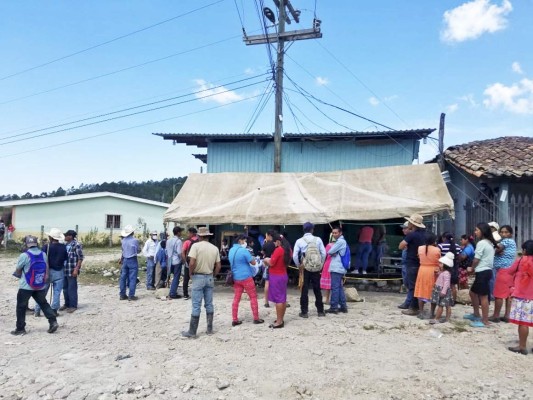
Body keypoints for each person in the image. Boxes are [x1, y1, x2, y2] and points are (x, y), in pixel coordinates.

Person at [11, 235, 59, 335]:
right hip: (39, 285)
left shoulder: (24, 255)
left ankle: (20, 328)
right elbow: (46, 270)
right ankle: (53, 321)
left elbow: (18, 270)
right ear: (36, 244)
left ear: (27, 244)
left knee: (21, 306)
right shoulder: (43, 254)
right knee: (43, 303)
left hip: (26, 286)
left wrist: (19, 274)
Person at [181, 227, 221, 338]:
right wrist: (213, 275)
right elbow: (218, 266)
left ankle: (192, 332)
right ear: (208, 236)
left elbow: (192, 262)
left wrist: (190, 273)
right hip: (209, 277)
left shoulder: (195, 246)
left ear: (199, 236)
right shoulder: (215, 248)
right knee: (209, 303)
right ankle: (209, 329)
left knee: (196, 305)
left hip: (198, 277)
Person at [463, 222, 497, 328]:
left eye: (477, 230)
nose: (475, 232)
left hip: (483, 271)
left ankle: (485, 320)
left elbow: (476, 259)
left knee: (483, 297)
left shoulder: (482, 243)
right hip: (485, 271)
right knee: (473, 293)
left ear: (482, 231)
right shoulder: (489, 243)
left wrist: (471, 268)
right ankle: (476, 314)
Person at [293, 222, 326, 319]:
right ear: (312, 230)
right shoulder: (318, 239)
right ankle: (320, 311)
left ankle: (304, 312)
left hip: (305, 268)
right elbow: (323, 253)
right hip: (316, 267)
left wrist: (299, 265)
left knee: (304, 289)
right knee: (317, 289)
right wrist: (321, 264)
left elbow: (295, 255)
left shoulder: (299, 241)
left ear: (303, 230)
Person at [229, 234, 264, 326]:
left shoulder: (231, 250)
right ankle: (256, 318)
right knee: (253, 297)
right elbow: (253, 262)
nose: (245, 243)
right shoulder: (243, 251)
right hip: (246, 277)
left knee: (236, 298)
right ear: (240, 241)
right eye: (244, 241)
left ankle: (234, 319)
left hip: (236, 278)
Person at [507, 240, 533, 355]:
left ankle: (522, 346)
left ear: (524, 250)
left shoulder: (521, 261)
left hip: (523, 296)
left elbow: (510, 271)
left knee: (523, 322)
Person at [35, 228, 68, 317]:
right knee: (57, 292)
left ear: (51, 237)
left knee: (42, 292)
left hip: (47, 271)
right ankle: (54, 310)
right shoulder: (63, 247)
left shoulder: (46, 247)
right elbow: (65, 258)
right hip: (59, 271)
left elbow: (41, 258)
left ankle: (37, 310)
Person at [399, 214, 427, 316]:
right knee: (418, 286)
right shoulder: (425, 235)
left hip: (412, 263)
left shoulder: (411, 235)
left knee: (412, 286)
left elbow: (401, 246)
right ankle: (418, 306)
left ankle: (413, 307)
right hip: (422, 263)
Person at [490, 225, 517, 323]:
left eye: (506, 232)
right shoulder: (512, 242)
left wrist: (496, 250)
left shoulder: (506, 241)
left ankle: (496, 315)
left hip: (503, 270)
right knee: (508, 295)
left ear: (511, 234)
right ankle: (507, 315)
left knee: (499, 294)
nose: (503, 234)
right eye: (502, 232)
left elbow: (497, 249)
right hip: (510, 270)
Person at [263, 233, 291, 328]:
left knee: (278, 299)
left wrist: (266, 259)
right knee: (282, 299)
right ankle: (281, 319)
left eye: (274, 242)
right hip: (283, 274)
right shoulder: (288, 250)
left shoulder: (278, 250)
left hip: (276, 276)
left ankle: (279, 322)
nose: (274, 244)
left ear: (278, 241)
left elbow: (272, 262)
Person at [413, 233, 440, 318]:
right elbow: (439, 260)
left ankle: (421, 312)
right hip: (433, 271)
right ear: (434, 241)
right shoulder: (437, 250)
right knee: (433, 291)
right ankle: (432, 313)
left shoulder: (420, 248)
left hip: (422, 270)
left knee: (421, 290)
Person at [325, 226, 348, 314]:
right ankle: (343, 306)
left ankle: (334, 307)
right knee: (339, 288)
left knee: (334, 288)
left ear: (340, 233)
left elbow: (330, 251)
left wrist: (332, 252)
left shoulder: (340, 242)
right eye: (333, 233)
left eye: (336, 233)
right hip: (340, 267)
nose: (334, 234)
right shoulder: (342, 241)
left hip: (336, 267)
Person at [429, 252, 454, 324]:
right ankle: (447, 318)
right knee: (447, 305)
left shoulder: (446, 273)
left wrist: (443, 291)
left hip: (443, 290)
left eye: (440, 263)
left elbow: (446, 283)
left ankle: (437, 318)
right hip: (440, 289)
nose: (439, 264)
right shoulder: (443, 272)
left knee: (441, 305)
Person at [62, 229, 84, 312]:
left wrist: (76, 269)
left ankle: (73, 305)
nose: (64, 237)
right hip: (64, 269)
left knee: (72, 288)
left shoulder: (76, 245)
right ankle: (67, 303)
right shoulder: (65, 245)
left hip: (71, 269)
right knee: (65, 288)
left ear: (70, 236)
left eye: (66, 235)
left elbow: (80, 258)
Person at [438, 232, 461, 304]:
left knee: (442, 284)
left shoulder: (440, 246)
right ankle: (453, 301)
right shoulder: (457, 246)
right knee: (453, 285)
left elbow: (438, 256)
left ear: (444, 238)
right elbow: (459, 256)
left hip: (443, 268)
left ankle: (441, 300)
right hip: (454, 267)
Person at [119, 225, 140, 301]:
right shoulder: (135, 240)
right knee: (132, 278)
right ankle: (131, 295)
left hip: (125, 259)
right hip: (132, 259)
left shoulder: (123, 240)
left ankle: (122, 294)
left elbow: (123, 250)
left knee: (123, 278)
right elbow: (138, 250)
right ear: (132, 232)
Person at [181, 227, 199, 300]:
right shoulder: (199, 241)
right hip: (197, 262)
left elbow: (182, 252)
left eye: (188, 233)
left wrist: (185, 261)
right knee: (197, 278)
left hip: (188, 262)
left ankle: (185, 294)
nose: (188, 234)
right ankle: (197, 294)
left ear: (192, 233)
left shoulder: (187, 242)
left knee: (186, 279)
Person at [167, 226, 184, 299]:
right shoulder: (179, 241)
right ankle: (173, 293)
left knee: (170, 276)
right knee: (176, 277)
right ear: (178, 232)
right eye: (180, 232)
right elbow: (179, 252)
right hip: (177, 261)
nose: (181, 233)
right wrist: (182, 260)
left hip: (170, 261)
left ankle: (171, 290)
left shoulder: (169, 240)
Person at [398, 222, 412, 309]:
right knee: (406, 283)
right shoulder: (407, 238)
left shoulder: (411, 237)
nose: (403, 230)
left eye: (405, 228)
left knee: (409, 283)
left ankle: (409, 302)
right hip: (405, 263)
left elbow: (400, 246)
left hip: (409, 264)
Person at [262, 229, 277, 308]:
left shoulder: (265, 244)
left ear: (269, 235)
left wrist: (264, 243)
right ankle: (278, 300)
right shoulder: (276, 244)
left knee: (267, 283)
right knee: (277, 283)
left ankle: (266, 302)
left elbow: (263, 253)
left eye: (266, 235)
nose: (266, 237)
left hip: (267, 264)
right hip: (275, 264)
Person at [320, 235, 336, 305]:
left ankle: (327, 298)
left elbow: (324, 254)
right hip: (336, 265)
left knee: (327, 285)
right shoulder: (341, 245)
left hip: (328, 264)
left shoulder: (329, 245)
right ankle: (333, 299)